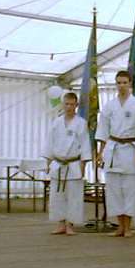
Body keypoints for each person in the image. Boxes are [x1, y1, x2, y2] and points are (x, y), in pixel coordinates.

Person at [96, 70, 135, 238]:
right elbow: (103, 130)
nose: (122, 86)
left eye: (125, 82)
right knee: (114, 189)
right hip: (113, 148)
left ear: (130, 84)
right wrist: (100, 152)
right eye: (119, 83)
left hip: (130, 149)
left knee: (130, 189)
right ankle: (120, 226)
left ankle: (128, 226)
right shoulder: (109, 106)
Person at [43, 92, 92, 235]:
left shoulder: (81, 123)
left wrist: (83, 166)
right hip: (58, 163)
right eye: (67, 104)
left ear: (76, 105)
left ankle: (70, 224)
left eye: (72, 104)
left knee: (73, 196)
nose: (69, 107)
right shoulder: (56, 122)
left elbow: (85, 145)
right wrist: (48, 162)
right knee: (57, 196)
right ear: (62, 105)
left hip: (73, 163)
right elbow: (50, 143)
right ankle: (60, 223)